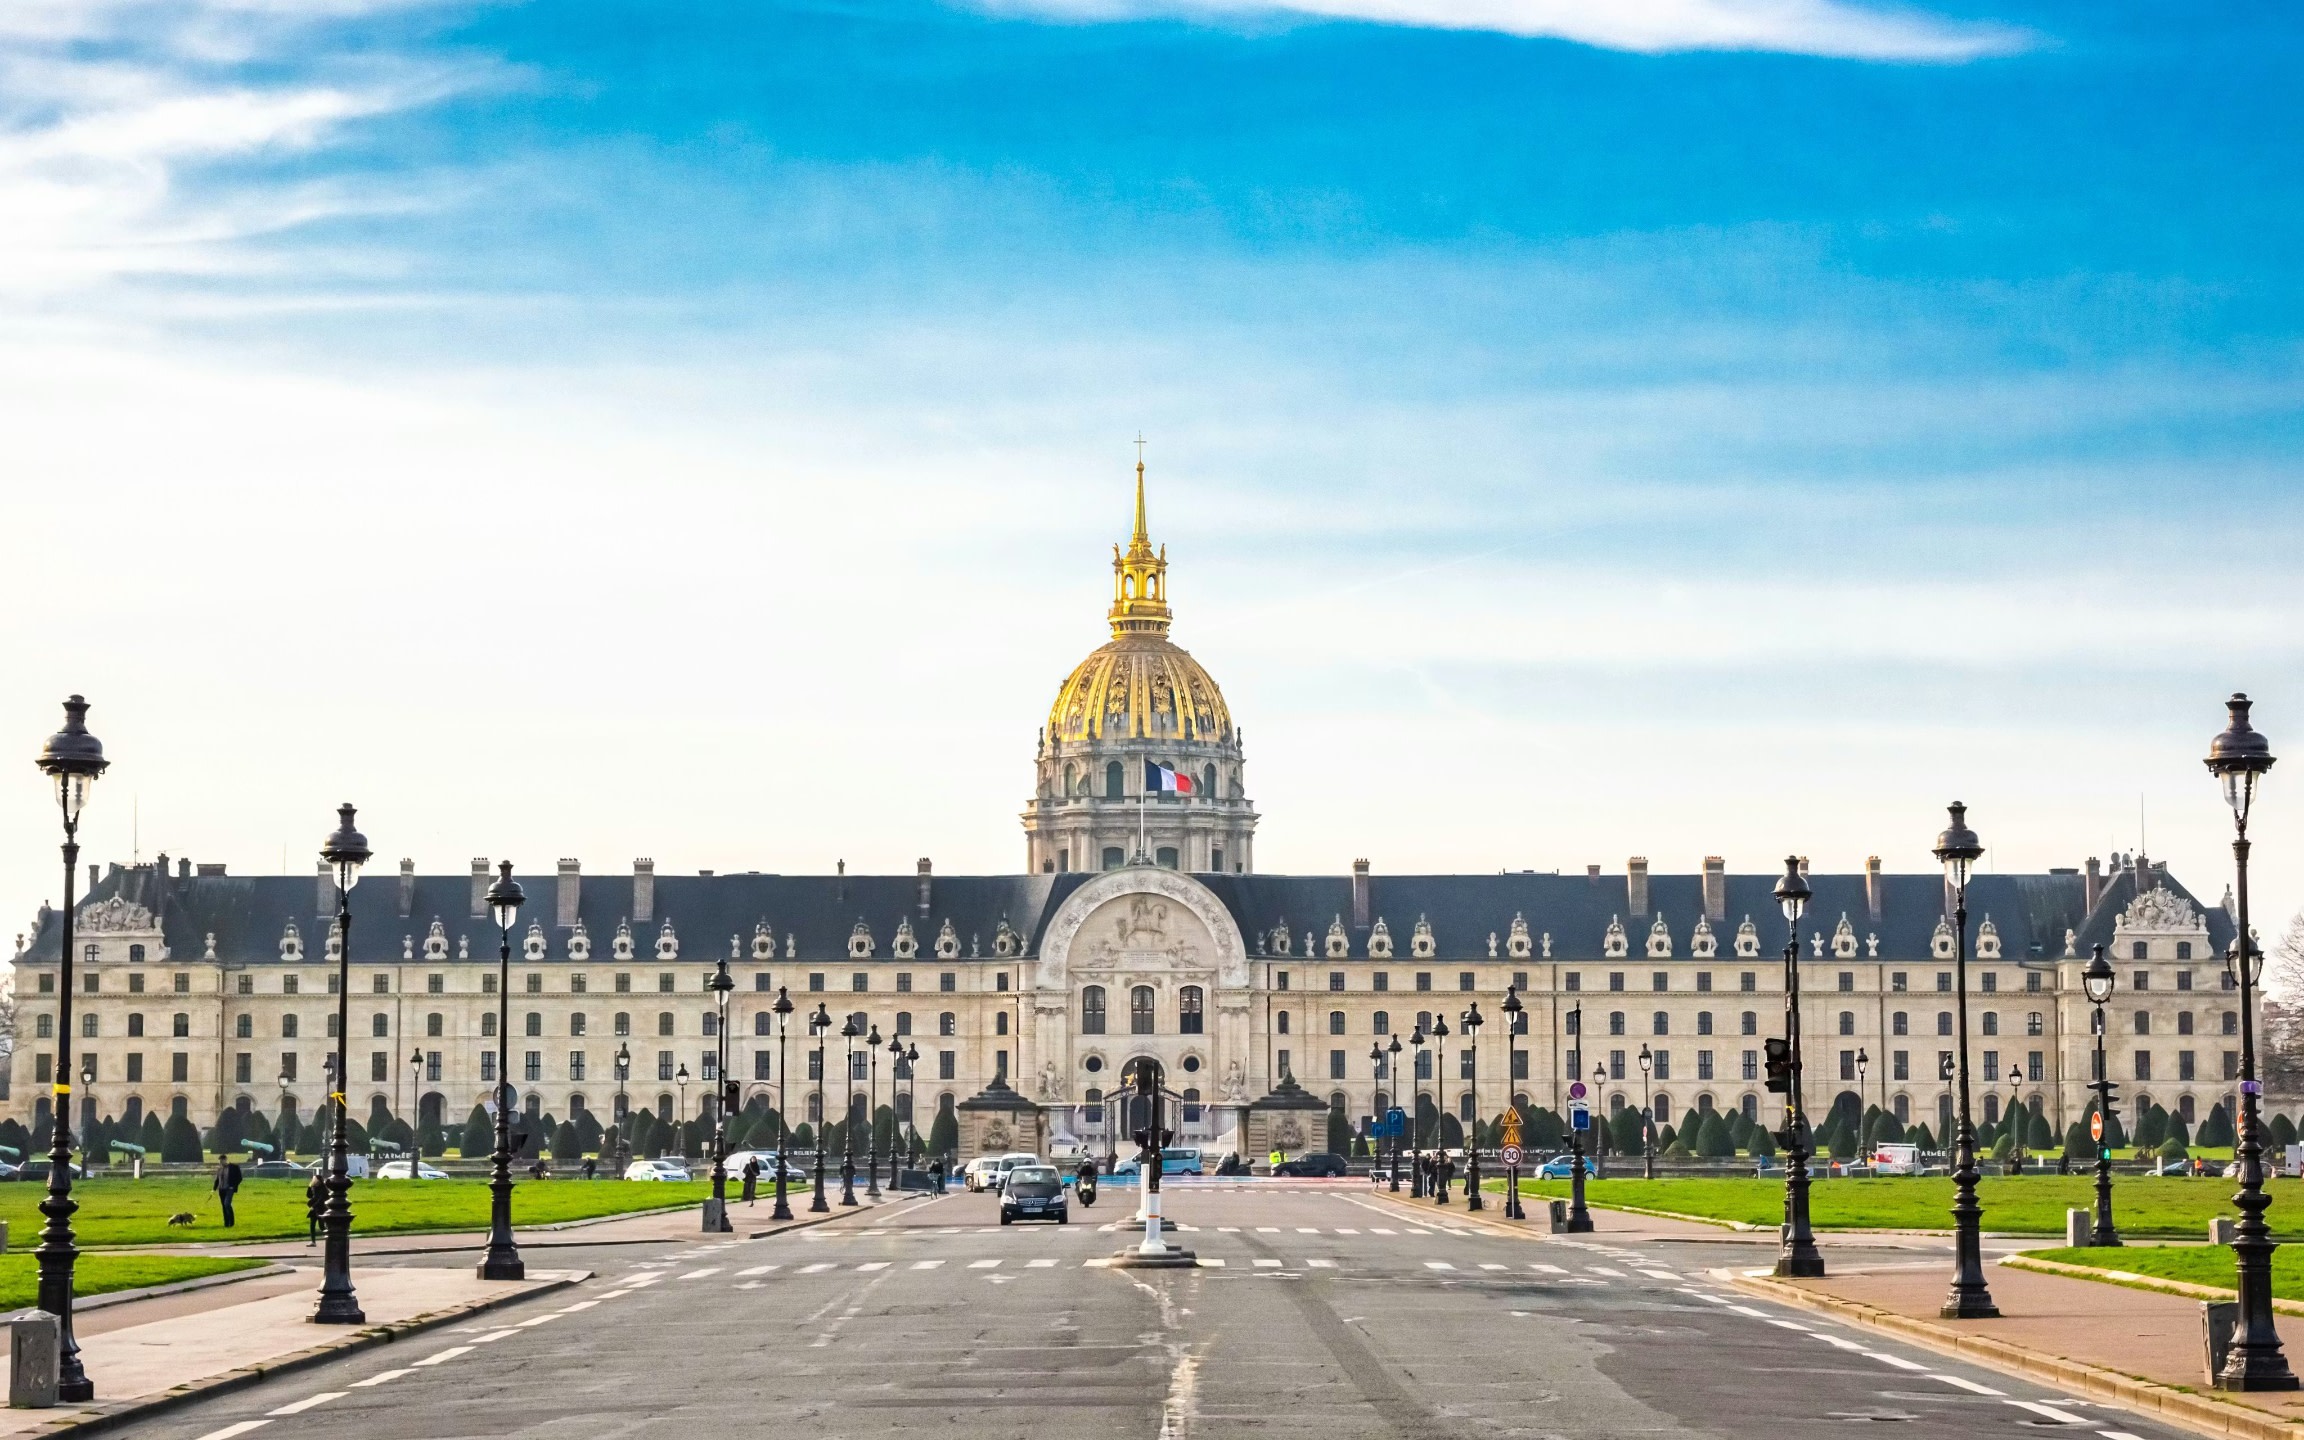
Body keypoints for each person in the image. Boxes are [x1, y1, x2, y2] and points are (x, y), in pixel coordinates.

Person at [213, 1157, 242, 1228]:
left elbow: (239, 1178)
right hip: (221, 1189)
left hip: (229, 1189)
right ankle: (226, 1223)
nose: (220, 1163)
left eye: (221, 1161)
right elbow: (217, 1180)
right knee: (223, 1206)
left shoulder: (233, 1167)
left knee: (227, 1204)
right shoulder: (220, 1169)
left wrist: (233, 1186)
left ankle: (231, 1222)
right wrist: (214, 1189)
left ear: (225, 1160)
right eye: (219, 1161)